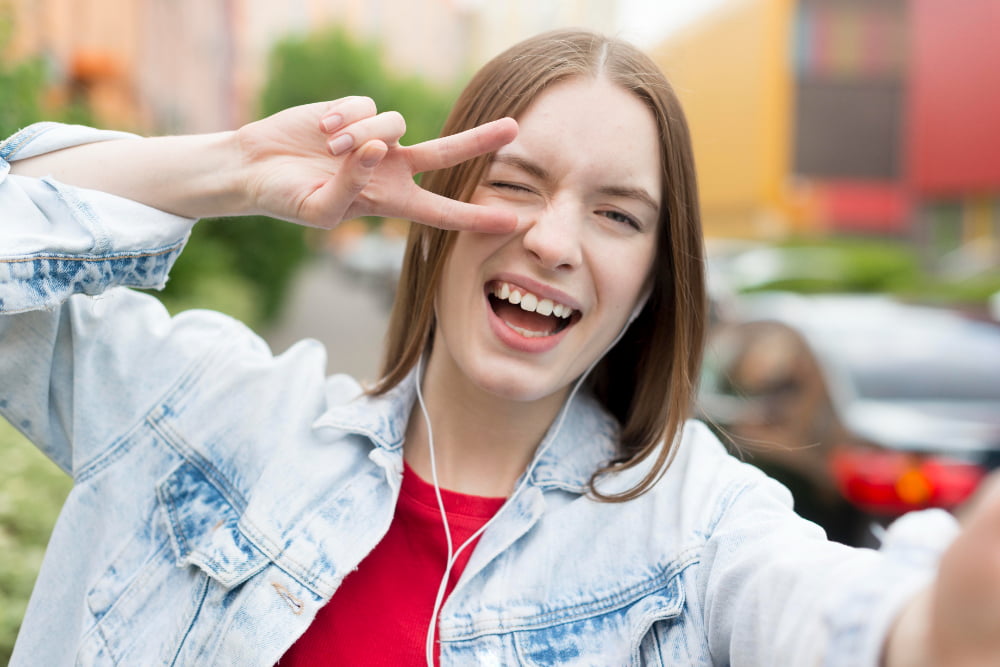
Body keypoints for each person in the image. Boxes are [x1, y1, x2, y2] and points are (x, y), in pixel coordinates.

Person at [1, 28, 999, 666]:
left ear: (654, 278)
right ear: (437, 214)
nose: (553, 242)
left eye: (616, 215)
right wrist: (235, 164)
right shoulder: (213, 420)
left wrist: (939, 627)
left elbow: (844, 618)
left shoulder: (693, 530)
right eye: (515, 185)